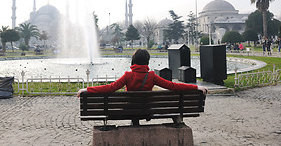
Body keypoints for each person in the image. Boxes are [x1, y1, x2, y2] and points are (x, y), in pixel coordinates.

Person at [77, 49, 208, 97]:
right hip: (147, 109)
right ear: (147, 61)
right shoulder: (151, 76)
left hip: (129, 109)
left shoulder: (127, 75)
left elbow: (110, 88)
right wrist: (196, 87)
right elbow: (173, 86)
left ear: (133, 60)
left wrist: (88, 89)